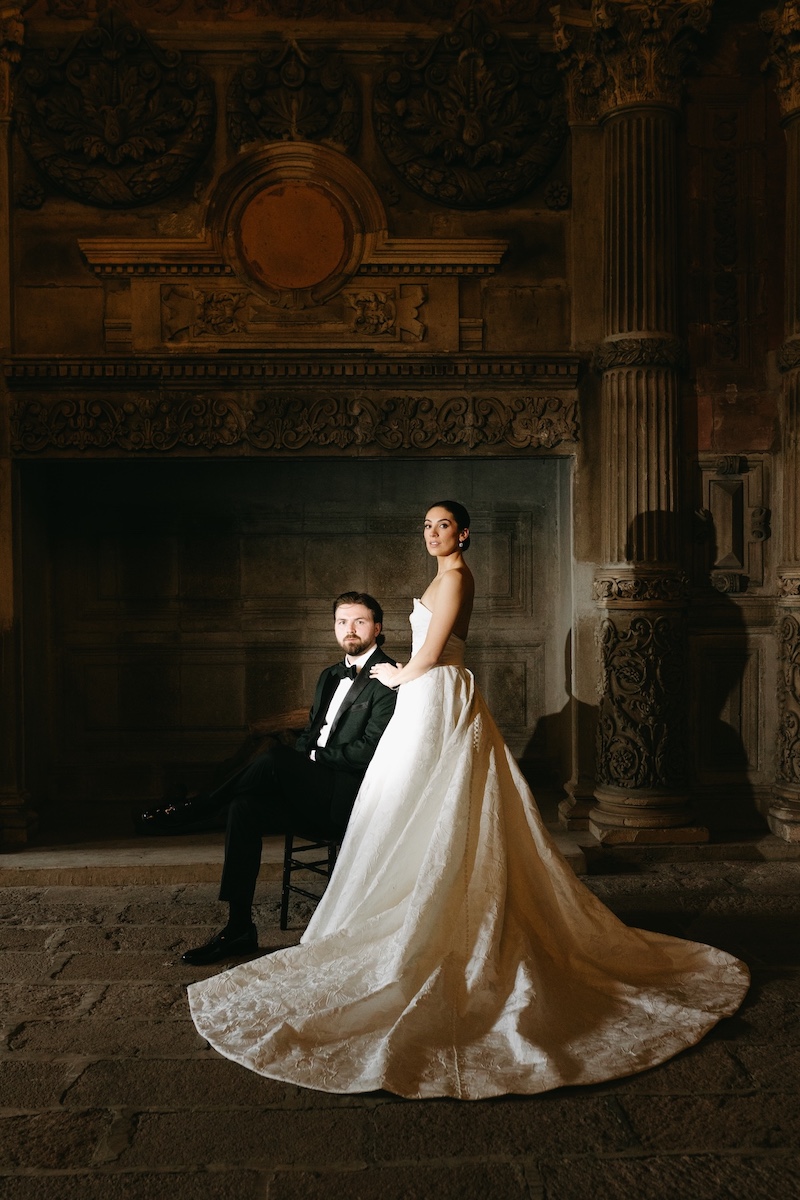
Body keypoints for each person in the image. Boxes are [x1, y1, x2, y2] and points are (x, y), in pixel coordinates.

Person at [187, 502, 749, 1100]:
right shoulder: (438, 575)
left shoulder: (456, 577)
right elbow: (426, 646)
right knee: (410, 807)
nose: (433, 534)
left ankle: (444, 910)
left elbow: (435, 652)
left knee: (438, 802)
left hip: (438, 690)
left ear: (465, 534)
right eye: (426, 526)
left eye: (443, 526)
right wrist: (409, 674)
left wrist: (401, 675)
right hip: (426, 691)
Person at [181, 591, 397, 966]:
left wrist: (311, 757)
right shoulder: (329, 675)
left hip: (347, 801)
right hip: (310, 792)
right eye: (342, 622)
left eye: (360, 621)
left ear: (377, 628)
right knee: (243, 807)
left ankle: (198, 808)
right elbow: (311, 733)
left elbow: (369, 751)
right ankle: (238, 928)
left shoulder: (389, 678)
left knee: (277, 757)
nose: (350, 629)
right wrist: (307, 755)